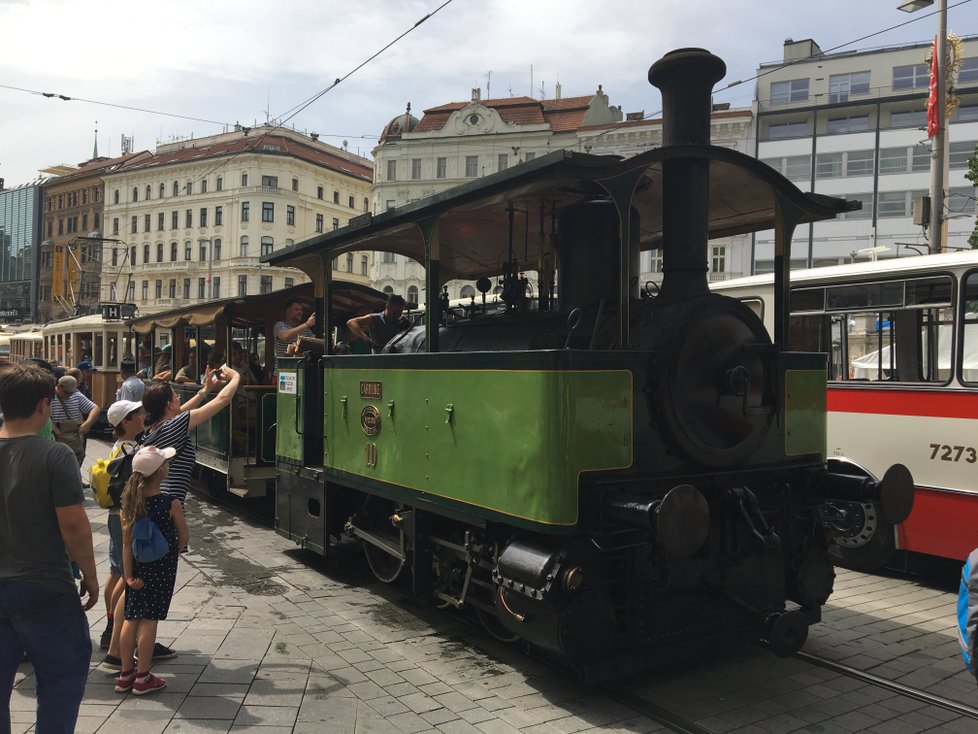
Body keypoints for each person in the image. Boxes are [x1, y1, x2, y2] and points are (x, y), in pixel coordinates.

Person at [0, 363, 99, 733]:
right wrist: (89, 575)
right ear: (44, 406)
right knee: (61, 676)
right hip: (43, 585)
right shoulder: (54, 455)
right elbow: (73, 524)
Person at [115, 445, 188, 696]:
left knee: (131, 618)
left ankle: (125, 675)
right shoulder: (171, 503)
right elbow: (183, 536)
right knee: (149, 620)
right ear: (161, 472)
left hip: (135, 569)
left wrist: (128, 575)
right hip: (162, 568)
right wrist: (173, 553)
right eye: (165, 463)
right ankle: (143, 676)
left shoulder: (129, 504)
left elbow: (126, 544)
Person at [141, 363, 241, 503]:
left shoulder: (156, 427)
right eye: (176, 396)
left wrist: (206, 390)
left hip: (159, 499)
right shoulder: (175, 425)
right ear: (169, 404)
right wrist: (236, 377)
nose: (179, 398)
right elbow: (222, 400)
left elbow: (181, 410)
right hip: (168, 501)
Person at [95, 400, 145, 653]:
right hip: (125, 516)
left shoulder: (120, 446)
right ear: (125, 421)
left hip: (116, 515)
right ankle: (113, 627)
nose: (142, 416)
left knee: (115, 571)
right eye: (137, 414)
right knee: (124, 574)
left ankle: (110, 623)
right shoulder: (132, 449)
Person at [50, 374, 99, 466]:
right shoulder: (51, 397)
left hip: (75, 438)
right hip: (57, 437)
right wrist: (54, 429)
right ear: (59, 387)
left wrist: (88, 423)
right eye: (67, 393)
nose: (69, 396)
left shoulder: (76, 395)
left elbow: (94, 408)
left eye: (72, 393)